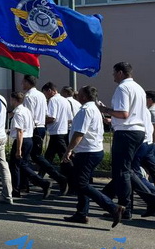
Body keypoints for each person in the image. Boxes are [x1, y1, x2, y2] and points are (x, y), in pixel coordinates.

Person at [62, 85, 125, 227]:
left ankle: (113, 208)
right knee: (83, 183)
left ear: (84, 97)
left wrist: (69, 150)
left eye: (80, 93)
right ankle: (81, 213)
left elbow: (79, 133)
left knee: (81, 184)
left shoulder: (85, 110)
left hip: (87, 152)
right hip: (94, 150)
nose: (77, 94)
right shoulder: (94, 108)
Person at [97, 62, 150, 220]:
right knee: (126, 171)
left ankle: (124, 208)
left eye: (114, 73)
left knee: (122, 172)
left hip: (126, 132)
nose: (113, 76)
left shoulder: (122, 88)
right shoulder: (139, 88)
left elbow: (123, 114)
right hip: (138, 132)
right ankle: (146, 200)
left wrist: (105, 110)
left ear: (120, 73)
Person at [22, 75, 68, 194]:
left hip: (33, 128)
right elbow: (46, 112)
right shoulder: (41, 95)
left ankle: (57, 178)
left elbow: (28, 114)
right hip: (41, 127)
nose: (22, 84)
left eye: (23, 82)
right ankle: (26, 182)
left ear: (27, 83)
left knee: (34, 156)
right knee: (39, 156)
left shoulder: (29, 96)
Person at [8, 92, 53, 199]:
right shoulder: (26, 110)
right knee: (22, 165)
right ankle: (26, 186)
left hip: (22, 141)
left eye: (11, 99)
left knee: (15, 166)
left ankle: (18, 188)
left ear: (14, 100)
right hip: (29, 139)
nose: (10, 101)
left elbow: (20, 132)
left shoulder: (18, 113)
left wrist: (18, 149)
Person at [43, 82, 74, 187]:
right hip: (63, 131)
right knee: (49, 156)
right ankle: (40, 176)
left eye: (45, 93)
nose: (46, 96)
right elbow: (70, 119)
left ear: (50, 91)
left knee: (64, 157)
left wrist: (43, 122)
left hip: (56, 132)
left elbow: (52, 117)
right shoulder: (65, 101)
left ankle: (74, 177)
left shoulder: (53, 100)